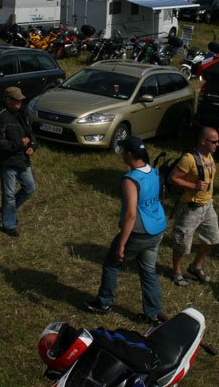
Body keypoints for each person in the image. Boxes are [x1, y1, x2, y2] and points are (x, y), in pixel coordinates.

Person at [85, 136, 169, 325]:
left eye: (123, 151)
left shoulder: (131, 179)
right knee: (148, 271)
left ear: (129, 154)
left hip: (139, 231)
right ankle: (153, 313)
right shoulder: (154, 172)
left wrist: (122, 244)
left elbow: (131, 213)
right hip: (157, 229)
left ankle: (104, 303)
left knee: (111, 263)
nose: (122, 155)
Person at [169, 127, 219, 286]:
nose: (217, 144)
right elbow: (173, 178)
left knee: (212, 239)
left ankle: (195, 266)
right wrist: (193, 185)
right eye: (214, 142)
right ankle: (176, 271)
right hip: (190, 208)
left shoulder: (209, 156)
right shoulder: (189, 159)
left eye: (218, 141)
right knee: (182, 242)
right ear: (203, 141)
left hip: (207, 206)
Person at [0, 86, 36, 237]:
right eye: (16, 101)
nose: (20, 103)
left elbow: (31, 135)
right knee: (8, 195)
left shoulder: (22, 115)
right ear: (8, 100)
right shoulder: (0, 116)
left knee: (29, 188)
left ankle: (7, 210)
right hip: (8, 162)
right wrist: (18, 145)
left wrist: (32, 146)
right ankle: (9, 224)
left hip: (23, 161)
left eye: (21, 100)